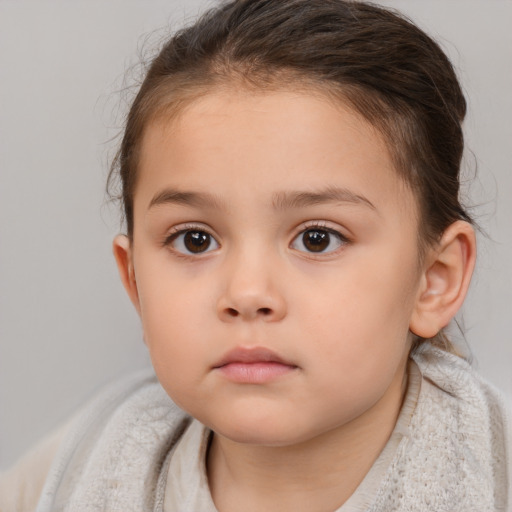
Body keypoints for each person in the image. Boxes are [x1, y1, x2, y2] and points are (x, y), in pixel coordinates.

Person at [0, 0, 510, 510]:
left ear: (434, 280)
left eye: (317, 238)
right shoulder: (66, 477)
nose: (247, 293)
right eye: (194, 239)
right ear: (135, 282)